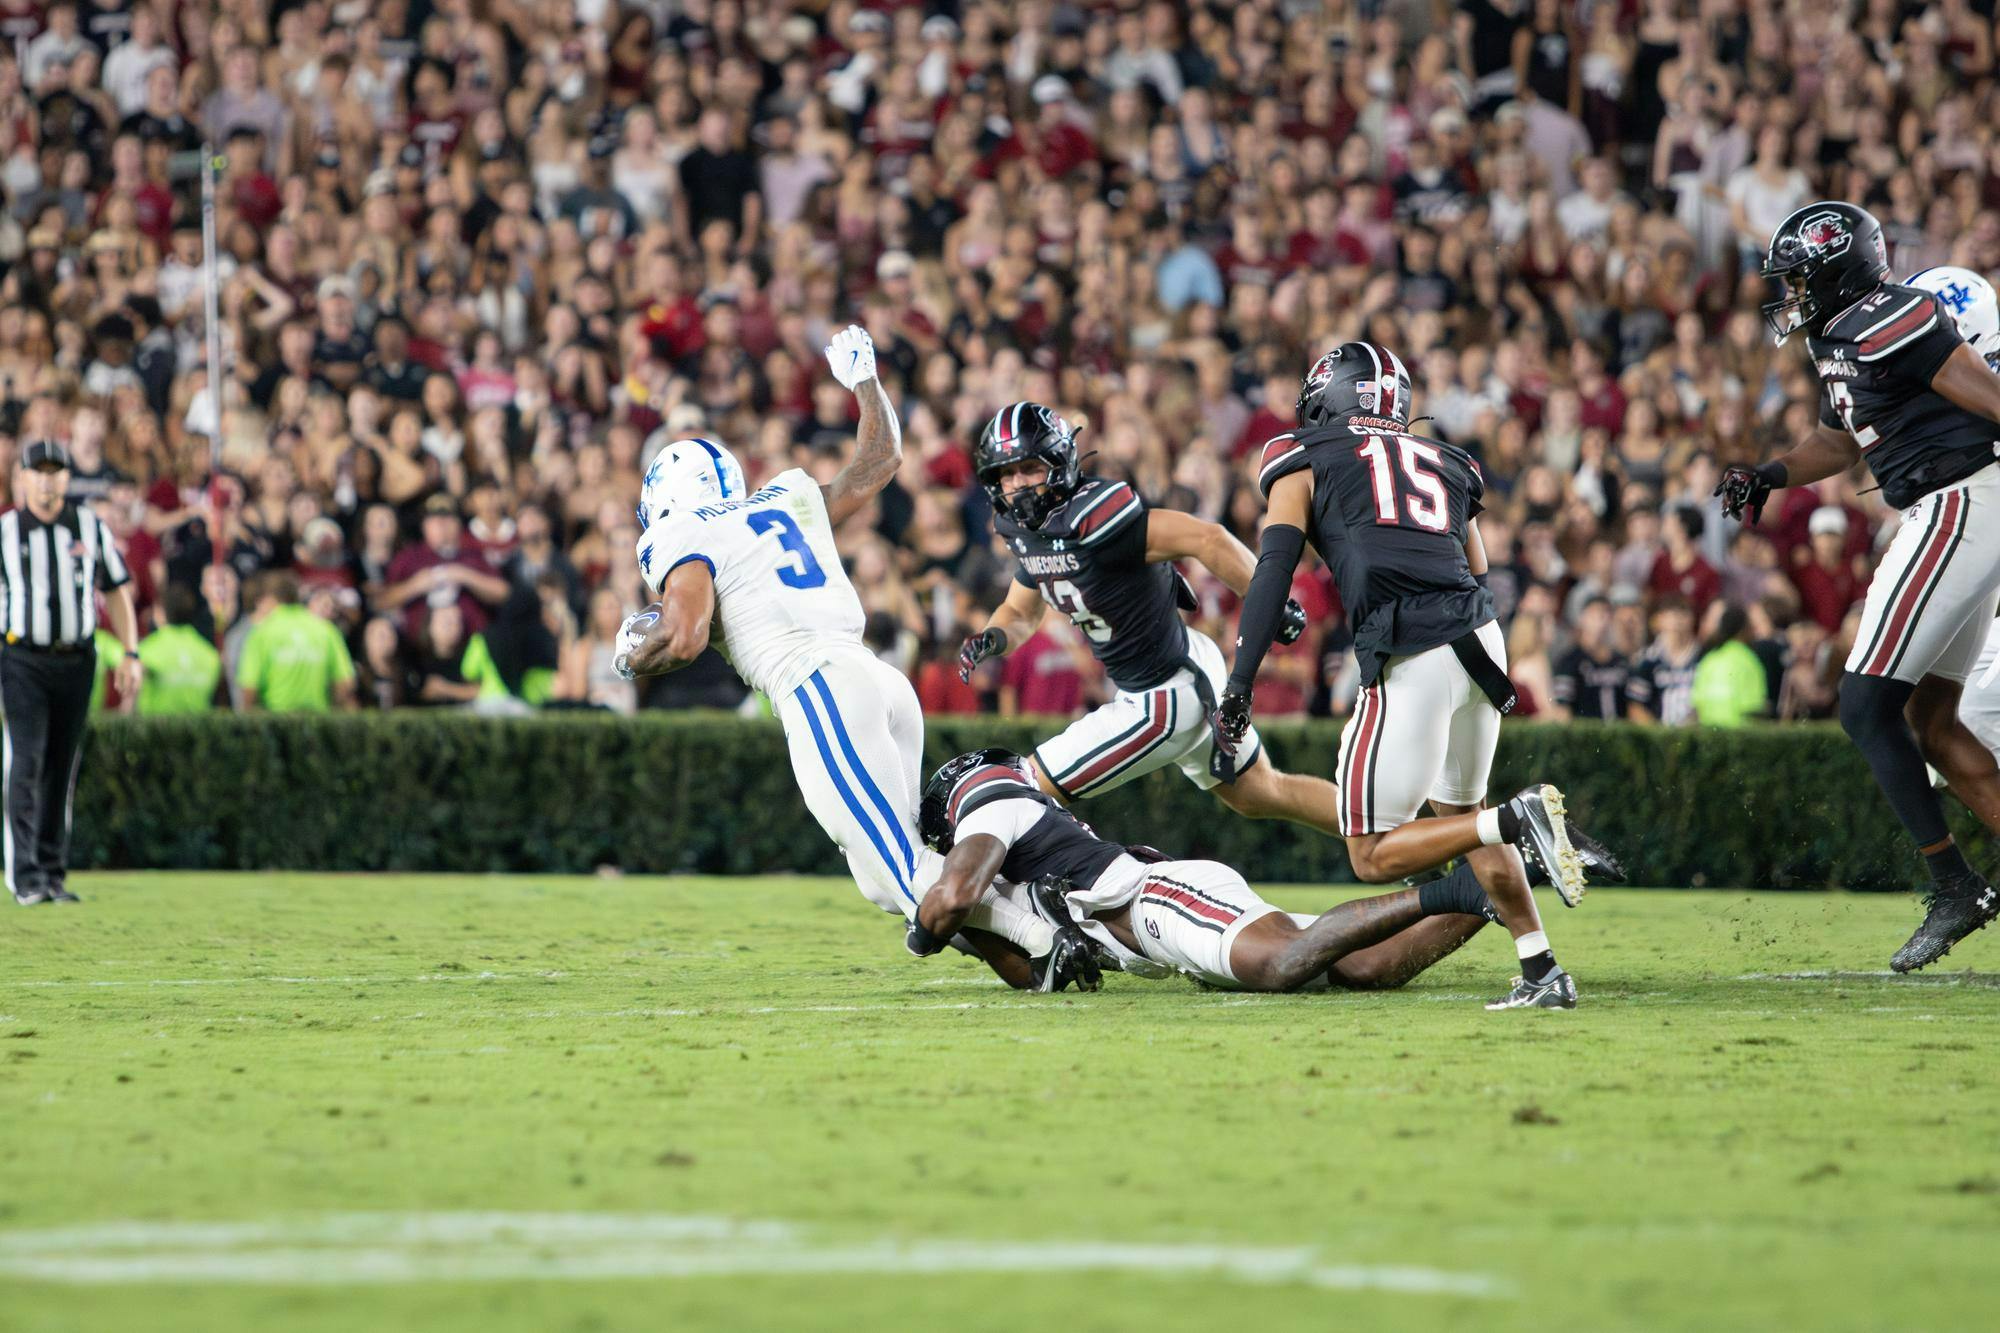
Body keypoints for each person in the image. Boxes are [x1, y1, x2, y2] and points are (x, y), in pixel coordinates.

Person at [618, 327, 1055, 967]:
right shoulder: (785, 500)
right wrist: (865, 384)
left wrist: (634, 652)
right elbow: (880, 460)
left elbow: (682, 638)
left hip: (818, 687)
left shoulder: (680, 532)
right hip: (876, 682)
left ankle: (1057, 939)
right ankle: (1043, 933)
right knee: (886, 879)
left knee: (907, 873)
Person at [1217, 343, 1600, 1009]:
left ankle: (1520, 814)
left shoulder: (1300, 454)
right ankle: (1542, 969)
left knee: (1370, 850)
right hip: (1480, 637)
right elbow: (1479, 569)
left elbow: (1272, 568)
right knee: (1463, 816)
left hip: (1410, 643)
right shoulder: (1449, 460)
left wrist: (1240, 680)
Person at [1717, 202, 2000, 971]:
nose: (1791, 294)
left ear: (1838, 267)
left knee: (1863, 700)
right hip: (1956, 507)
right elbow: (1839, 440)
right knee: (1933, 720)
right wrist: (1770, 473)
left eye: (1800, 277)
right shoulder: (1839, 339)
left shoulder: (1889, 312)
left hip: (1961, 499)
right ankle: (1958, 885)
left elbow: (1977, 389)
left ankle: (1954, 886)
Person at [909, 749, 1615, 1004]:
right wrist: (975, 936)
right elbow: (1039, 976)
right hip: (1158, 930)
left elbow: (954, 895)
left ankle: (1463, 880)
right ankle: (1496, 881)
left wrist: (924, 928)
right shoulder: (1003, 864)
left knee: (1278, 965)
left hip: (1159, 899)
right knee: (1363, 969)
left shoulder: (992, 803)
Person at [954, 401, 1340, 830]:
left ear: (1058, 462)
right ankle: (1389, 837)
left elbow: (1207, 538)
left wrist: (1268, 600)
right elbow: (1019, 611)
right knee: (1262, 792)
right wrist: (993, 637)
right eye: (1005, 474)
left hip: (1160, 696)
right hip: (1186, 667)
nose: (1016, 484)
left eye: (1027, 468)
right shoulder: (1031, 534)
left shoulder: (1097, 519)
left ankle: (1077, 886)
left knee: (1023, 789)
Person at [0, 440, 140, 906]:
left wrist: (131, 652)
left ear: (66, 478)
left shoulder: (87, 525)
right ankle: (25, 875)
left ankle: (52, 873)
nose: (46, 480)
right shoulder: (4, 531)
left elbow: (116, 589)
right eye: (37, 471)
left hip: (77, 659)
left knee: (62, 767)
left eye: (54, 471)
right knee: (26, 762)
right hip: (22, 658)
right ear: (21, 478)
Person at [237, 571, 356, 712]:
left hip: (275, 722)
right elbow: (344, 683)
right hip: (318, 722)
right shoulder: (325, 629)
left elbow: (249, 688)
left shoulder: (262, 632)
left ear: (270, 599)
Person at [135, 583, 221, 714]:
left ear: (161, 613)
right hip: (199, 730)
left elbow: (131, 693)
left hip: (154, 730)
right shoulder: (209, 653)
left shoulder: (148, 649)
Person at [1549, 595, 1631, 721]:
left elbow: (1632, 704)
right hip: (1585, 735)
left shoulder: (1620, 662)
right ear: (1582, 618)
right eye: (1595, 615)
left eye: (1606, 615)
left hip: (1618, 734)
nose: (1601, 621)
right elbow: (1562, 708)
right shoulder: (1570, 661)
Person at [1626, 596, 1700, 725]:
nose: (1677, 621)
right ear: (1660, 619)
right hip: (1659, 736)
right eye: (1672, 615)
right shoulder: (1648, 660)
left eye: (1683, 614)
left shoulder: (1703, 657)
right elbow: (1636, 706)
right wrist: (1658, 736)